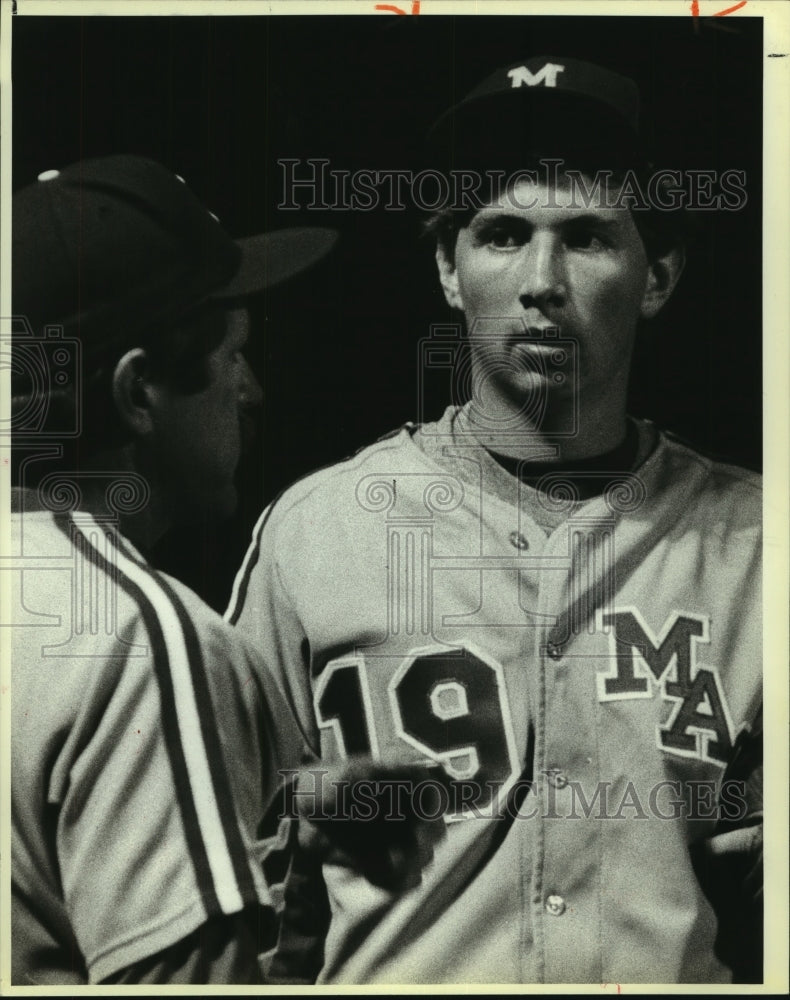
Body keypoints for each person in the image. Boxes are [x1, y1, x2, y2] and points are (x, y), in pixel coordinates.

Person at [227, 57, 763, 985]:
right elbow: (232, 865)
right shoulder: (320, 529)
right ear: (448, 268)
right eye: (504, 233)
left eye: (588, 237)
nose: (541, 280)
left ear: (658, 276)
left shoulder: (761, 544)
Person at [8, 155, 437, 986]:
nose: (252, 391)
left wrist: (271, 812)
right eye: (232, 354)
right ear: (139, 394)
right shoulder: (144, 636)